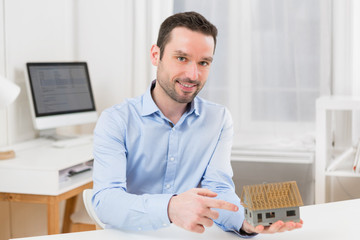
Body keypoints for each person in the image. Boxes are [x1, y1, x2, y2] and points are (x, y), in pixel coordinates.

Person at [92, 11, 303, 237]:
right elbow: (105, 201)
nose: (193, 75)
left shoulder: (218, 119)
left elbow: (218, 189)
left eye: (203, 62)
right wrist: (170, 207)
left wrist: (244, 222)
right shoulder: (116, 120)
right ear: (156, 55)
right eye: (181, 58)